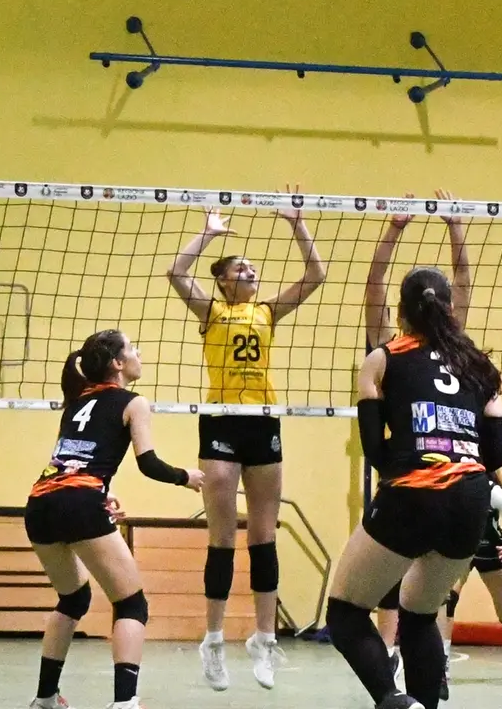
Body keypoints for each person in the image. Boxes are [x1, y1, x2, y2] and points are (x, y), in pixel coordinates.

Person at [166, 191, 327, 691]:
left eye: (253, 269)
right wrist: (210, 234)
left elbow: (316, 277)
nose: (251, 274)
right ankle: (213, 641)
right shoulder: (212, 312)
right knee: (222, 538)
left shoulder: (266, 312)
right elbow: (175, 272)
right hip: (220, 419)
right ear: (222, 280)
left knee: (264, 535)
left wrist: (298, 224)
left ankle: (263, 638)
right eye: (241, 269)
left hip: (262, 420)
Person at [326, 266, 502, 709]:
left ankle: (394, 700)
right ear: (450, 310)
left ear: (401, 311)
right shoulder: (480, 365)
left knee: (346, 613)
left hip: (414, 490)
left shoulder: (383, 357)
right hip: (471, 499)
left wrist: (412, 473)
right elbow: (495, 454)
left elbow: (373, 448)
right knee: (421, 614)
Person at [26, 331, 204, 709]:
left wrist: (100, 495)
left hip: (41, 501)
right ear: (118, 364)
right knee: (131, 605)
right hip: (78, 502)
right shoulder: (134, 402)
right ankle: (125, 703)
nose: (139, 353)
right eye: (132, 349)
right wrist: (185, 476)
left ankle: (44, 698)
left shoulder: (76, 402)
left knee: (73, 599)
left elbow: (74, 460)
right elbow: (148, 463)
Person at [364, 189, 470, 680]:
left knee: (387, 576)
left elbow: (374, 286)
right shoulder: (459, 348)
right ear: (446, 309)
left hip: (406, 478)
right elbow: (464, 283)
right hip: (461, 484)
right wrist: (455, 228)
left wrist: (393, 229)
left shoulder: (386, 350)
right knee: (426, 586)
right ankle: (419, 657)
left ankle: (395, 657)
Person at [437, 474, 502, 700]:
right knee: (446, 599)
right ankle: (441, 661)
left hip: (490, 551)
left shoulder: (492, 491)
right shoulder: (446, 485)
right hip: (460, 552)